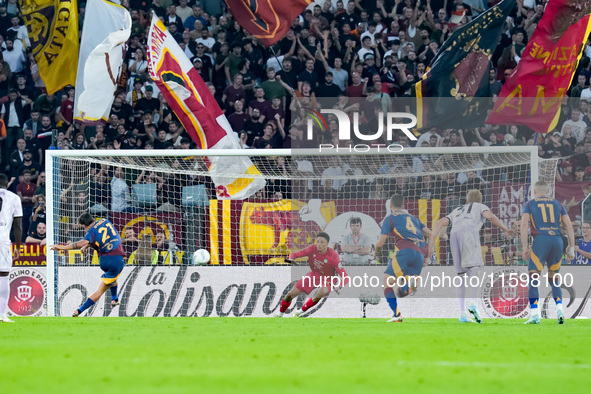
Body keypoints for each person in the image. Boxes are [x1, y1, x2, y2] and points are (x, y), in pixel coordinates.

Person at [428, 189, 513, 323]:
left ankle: (462, 314)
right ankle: (474, 304)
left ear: (467, 201)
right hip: (469, 233)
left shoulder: (457, 209)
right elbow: (490, 216)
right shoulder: (480, 206)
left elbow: (439, 224)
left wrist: (433, 244)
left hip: (454, 236)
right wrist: (505, 229)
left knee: (461, 276)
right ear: (480, 200)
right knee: (474, 270)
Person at [521, 181, 575, 324]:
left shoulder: (529, 204)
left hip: (541, 239)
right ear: (547, 191)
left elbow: (524, 224)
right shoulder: (558, 204)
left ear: (534, 191)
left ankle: (534, 315)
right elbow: (569, 226)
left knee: (533, 278)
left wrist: (524, 246)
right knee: (554, 279)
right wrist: (572, 247)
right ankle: (560, 312)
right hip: (557, 240)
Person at [50, 213, 125, 317]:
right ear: (93, 219)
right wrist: (87, 245)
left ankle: (115, 299)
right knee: (101, 290)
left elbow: (82, 242)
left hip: (105, 260)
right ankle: (79, 311)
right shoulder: (105, 221)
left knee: (112, 278)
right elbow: (103, 236)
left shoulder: (90, 232)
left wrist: (62, 247)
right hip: (116, 259)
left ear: (83, 225)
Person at [374, 195, 432, 323]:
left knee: (386, 285)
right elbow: (430, 234)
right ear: (403, 206)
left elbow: (380, 243)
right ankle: (409, 283)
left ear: (390, 206)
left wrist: (375, 253)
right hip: (420, 254)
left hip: (404, 251)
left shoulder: (390, 218)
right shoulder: (414, 219)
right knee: (400, 292)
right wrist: (427, 254)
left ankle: (397, 315)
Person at [275, 232, 348, 317]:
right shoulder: (312, 249)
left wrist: (339, 286)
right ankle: (279, 314)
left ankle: (299, 312)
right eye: (318, 242)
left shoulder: (333, 256)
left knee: (321, 292)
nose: (319, 244)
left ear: (327, 244)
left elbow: (345, 277)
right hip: (313, 275)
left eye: (322, 242)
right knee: (290, 295)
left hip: (328, 279)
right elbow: (296, 254)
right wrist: (291, 258)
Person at [0, 174, 22, 323]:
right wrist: (18, 247)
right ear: (7, 183)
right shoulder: (14, 197)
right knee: (3, 276)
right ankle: (1, 314)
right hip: (2, 242)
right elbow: (18, 225)